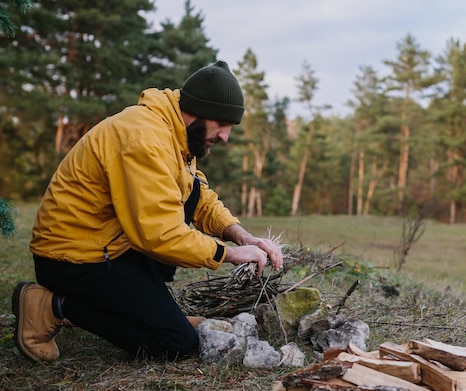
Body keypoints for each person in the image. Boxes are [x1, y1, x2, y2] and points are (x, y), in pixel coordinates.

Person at [12, 61, 283, 362]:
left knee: (189, 201)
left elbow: (197, 196)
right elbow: (159, 234)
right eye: (222, 125)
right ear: (197, 111)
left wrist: (241, 236)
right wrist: (228, 254)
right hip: (71, 258)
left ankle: (158, 315)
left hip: (110, 245)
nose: (225, 137)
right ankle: (52, 305)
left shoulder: (174, 134)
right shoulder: (144, 139)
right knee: (175, 342)